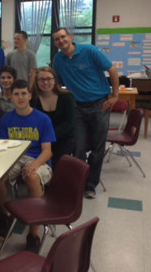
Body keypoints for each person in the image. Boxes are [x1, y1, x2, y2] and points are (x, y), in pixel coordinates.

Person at [52, 27, 119, 199]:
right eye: (57, 39)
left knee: (97, 148)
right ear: (55, 43)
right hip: (77, 107)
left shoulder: (89, 51)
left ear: (70, 37)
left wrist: (115, 96)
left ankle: (90, 185)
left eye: (63, 37)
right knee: (78, 148)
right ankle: (78, 182)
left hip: (100, 104)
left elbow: (112, 69)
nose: (61, 41)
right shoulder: (58, 60)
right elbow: (57, 84)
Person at [0, 79, 55, 254]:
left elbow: (48, 151)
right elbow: (4, 147)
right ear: (11, 97)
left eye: (23, 93)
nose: (20, 97)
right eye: (16, 94)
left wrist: (35, 165)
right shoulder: (6, 119)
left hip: (37, 158)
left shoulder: (43, 119)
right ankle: (6, 215)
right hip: (14, 158)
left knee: (32, 177)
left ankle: (33, 233)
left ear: (30, 96)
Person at [31, 67, 75, 170]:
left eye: (49, 79)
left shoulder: (67, 97)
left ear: (55, 80)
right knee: (39, 167)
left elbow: (69, 124)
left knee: (58, 167)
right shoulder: (33, 100)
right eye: (41, 79)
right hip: (41, 141)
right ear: (36, 82)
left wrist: (48, 136)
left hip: (63, 139)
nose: (45, 82)